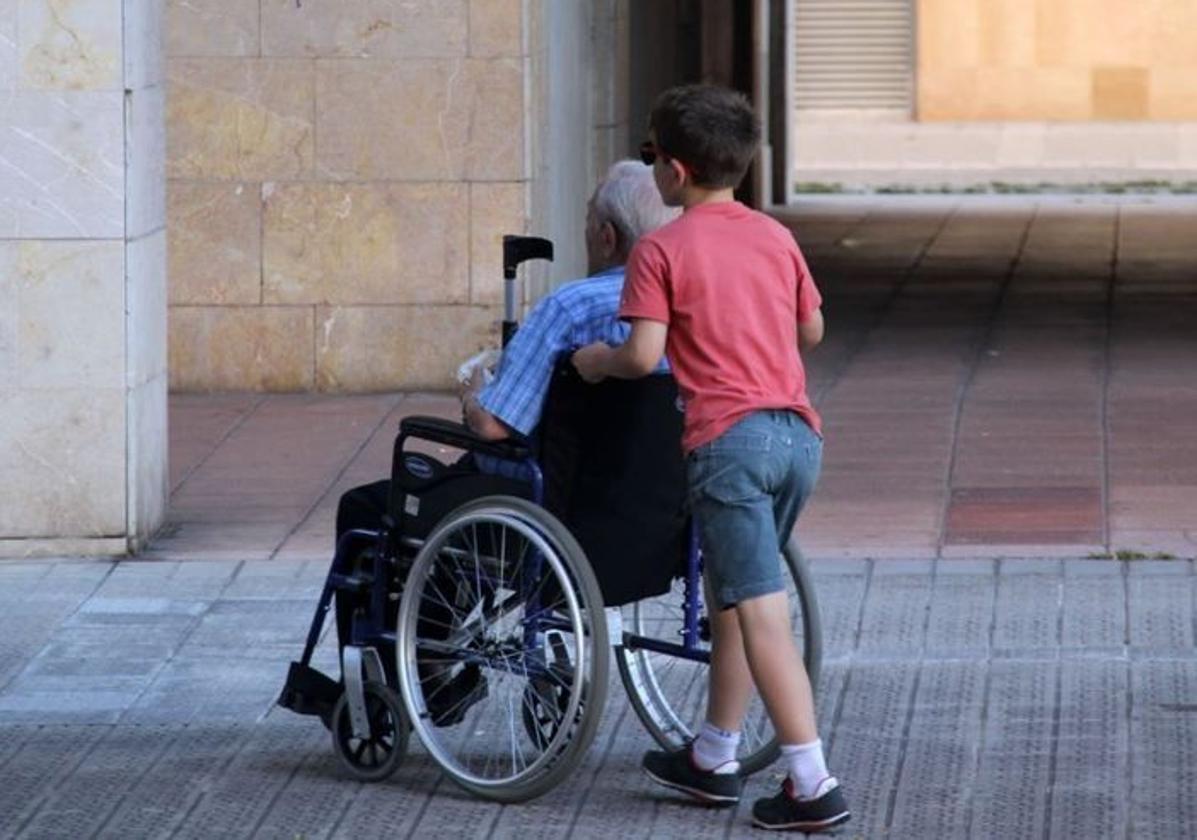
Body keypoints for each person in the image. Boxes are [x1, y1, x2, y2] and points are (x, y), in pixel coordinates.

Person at [572, 85, 849, 833]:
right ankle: (711, 754)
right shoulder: (771, 235)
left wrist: (596, 361)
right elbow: (811, 329)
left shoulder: (660, 249)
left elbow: (643, 355)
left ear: (677, 171)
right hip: (797, 438)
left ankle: (810, 780)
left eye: (652, 156)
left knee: (758, 609)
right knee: (728, 594)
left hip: (728, 444)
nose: (652, 167)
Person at [334, 159, 678, 547]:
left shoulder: (569, 308)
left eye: (587, 219)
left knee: (363, 507)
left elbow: (492, 427)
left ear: (607, 236)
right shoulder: (689, 308)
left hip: (544, 507)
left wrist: (472, 392)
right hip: (649, 514)